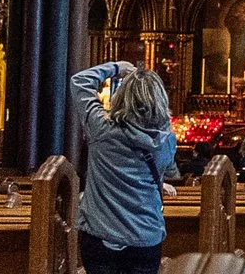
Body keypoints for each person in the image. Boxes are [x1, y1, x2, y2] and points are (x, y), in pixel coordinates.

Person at [72, 61, 177, 274]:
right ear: (160, 101)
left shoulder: (101, 128)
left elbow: (79, 81)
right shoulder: (166, 141)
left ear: (120, 97)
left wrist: (117, 67)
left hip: (101, 236)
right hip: (145, 237)